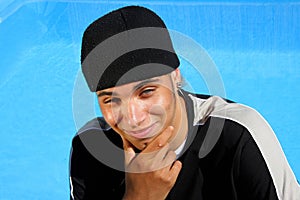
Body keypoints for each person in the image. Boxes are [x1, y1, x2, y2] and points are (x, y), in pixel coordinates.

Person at [69, 5, 300, 200]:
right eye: (111, 99)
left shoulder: (238, 136)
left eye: (147, 91)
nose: (133, 118)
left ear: (176, 76)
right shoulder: (90, 149)